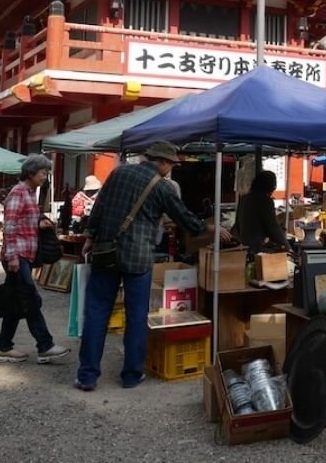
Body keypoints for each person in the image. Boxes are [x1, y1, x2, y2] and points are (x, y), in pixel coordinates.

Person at [75, 141, 230, 391]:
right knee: (136, 317)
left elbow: (99, 207)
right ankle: (131, 375)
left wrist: (90, 238)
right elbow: (185, 219)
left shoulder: (118, 172)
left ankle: (87, 376)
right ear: (164, 162)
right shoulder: (163, 187)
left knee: (97, 313)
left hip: (106, 251)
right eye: (171, 164)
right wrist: (210, 227)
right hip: (138, 256)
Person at [0, 154, 72, 365]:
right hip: (17, 256)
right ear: (31, 173)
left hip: (23, 254)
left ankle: (3, 346)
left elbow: (20, 222)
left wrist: (39, 224)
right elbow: (9, 227)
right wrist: (12, 257)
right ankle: (45, 346)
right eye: (43, 173)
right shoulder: (19, 193)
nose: (45, 177)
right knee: (30, 300)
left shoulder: (28, 193)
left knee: (16, 301)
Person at [236, 170, 288, 250]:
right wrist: (287, 246)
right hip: (258, 247)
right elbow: (272, 226)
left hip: (243, 244)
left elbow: (238, 223)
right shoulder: (265, 201)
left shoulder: (244, 199)